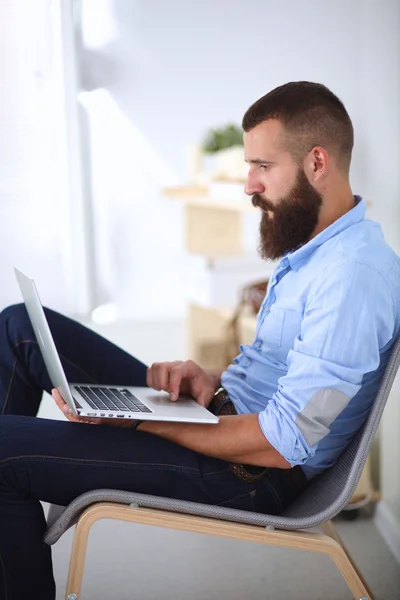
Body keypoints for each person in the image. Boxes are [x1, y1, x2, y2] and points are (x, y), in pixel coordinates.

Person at [1, 81, 400, 599]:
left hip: (248, 472)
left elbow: (282, 443)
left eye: (262, 166)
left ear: (317, 162)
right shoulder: (316, 249)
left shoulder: (351, 275)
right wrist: (208, 381)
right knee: (21, 328)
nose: (249, 185)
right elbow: (277, 372)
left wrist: (150, 420)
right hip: (226, 415)